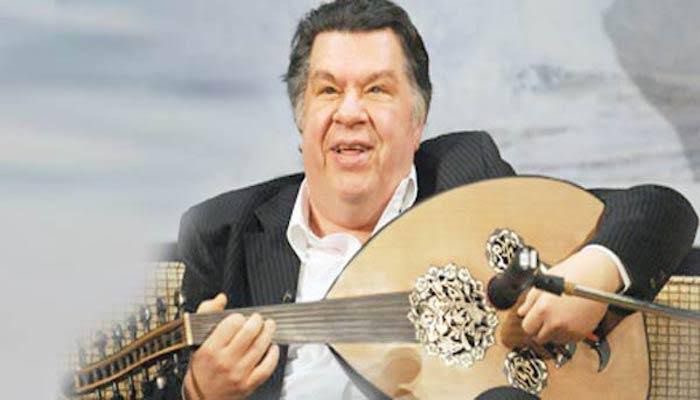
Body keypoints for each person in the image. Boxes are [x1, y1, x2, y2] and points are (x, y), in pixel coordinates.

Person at [176, 1, 698, 399]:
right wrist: (198, 391)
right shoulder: (224, 231)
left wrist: (593, 277)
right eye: (328, 90)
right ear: (301, 118)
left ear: (417, 121)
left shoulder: (464, 180)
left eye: (377, 90)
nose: (349, 112)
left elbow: (660, 211)